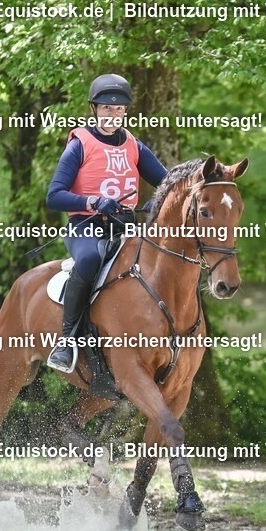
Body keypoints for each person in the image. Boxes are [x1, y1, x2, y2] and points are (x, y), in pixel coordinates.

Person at [45, 73, 168, 373]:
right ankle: (67, 341)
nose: (112, 115)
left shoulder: (134, 145)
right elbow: (54, 196)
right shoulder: (80, 145)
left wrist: (160, 200)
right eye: (105, 109)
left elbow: (167, 181)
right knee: (89, 259)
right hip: (86, 225)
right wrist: (92, 201)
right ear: (94, 109)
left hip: (124, 226)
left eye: (118, 110)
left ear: (125, 112)